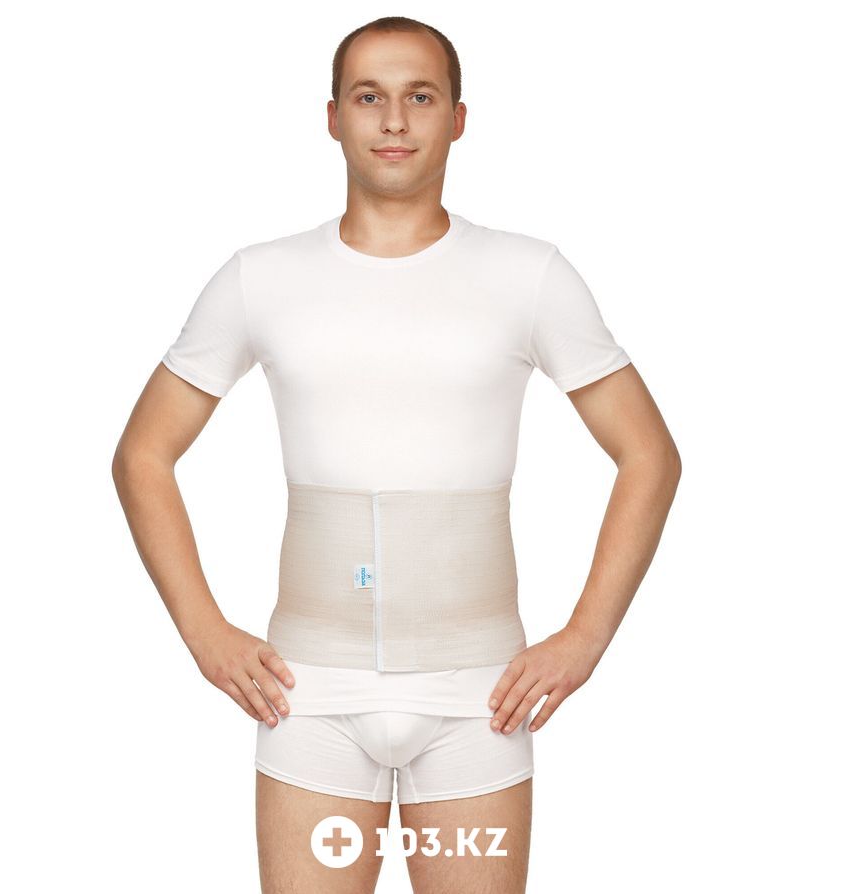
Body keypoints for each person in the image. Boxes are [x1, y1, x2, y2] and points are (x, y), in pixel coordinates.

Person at [112, 15, 681, 894]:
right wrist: (204, 632)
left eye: (420, 96)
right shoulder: (261, 277)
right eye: (368, 97)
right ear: (332, 116)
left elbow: (648, 454)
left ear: (458, 118)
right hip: (309, 696)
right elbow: (143, 453)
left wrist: (585, 637)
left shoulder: (528, 275)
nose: (393, 120)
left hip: (478, 700)